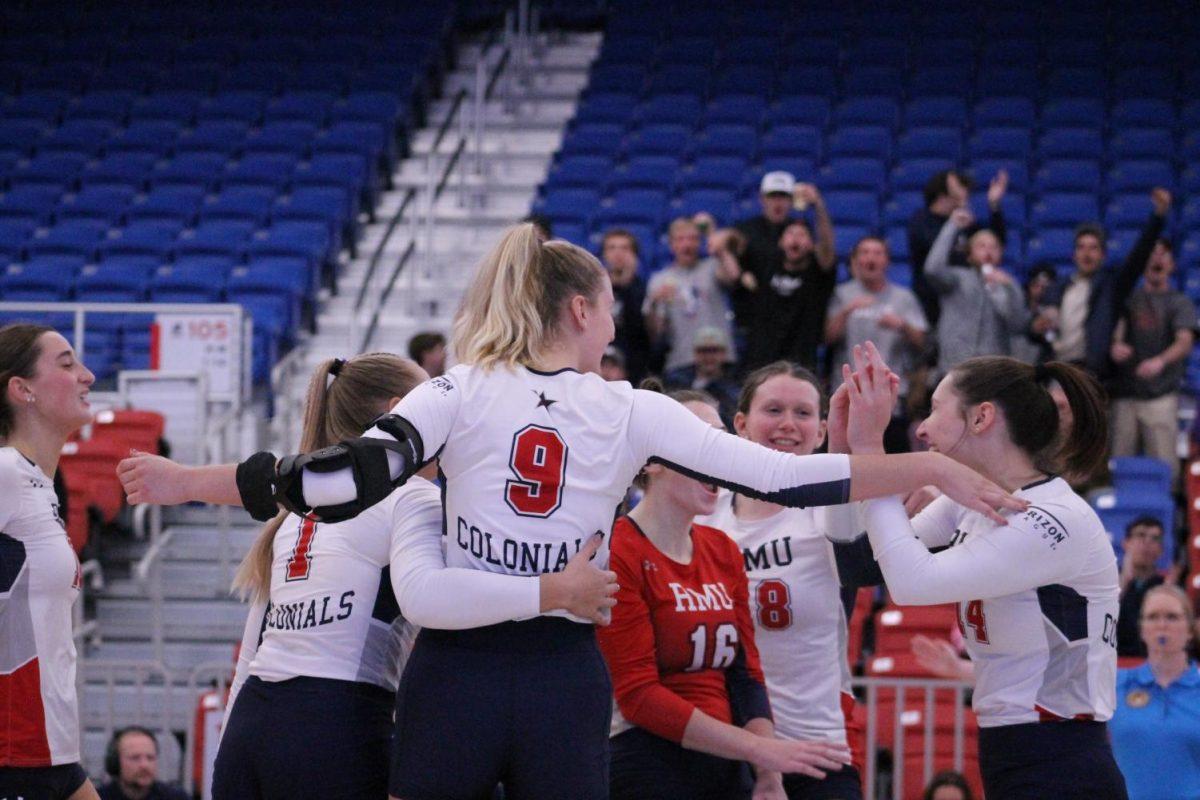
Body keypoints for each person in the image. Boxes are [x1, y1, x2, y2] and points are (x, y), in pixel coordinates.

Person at [118, 224, 1022, 800]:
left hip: (456, 678)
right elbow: (782, 479)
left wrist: (215, 481)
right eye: (610, 314)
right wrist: (928, 462)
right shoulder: (631, 409)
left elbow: (348, 475)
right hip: (560, 675)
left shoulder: (461, 387)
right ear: (582, 309)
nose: (615, 330)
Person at [179, 353, 612, 799]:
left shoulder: (295, 514)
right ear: (399, 411)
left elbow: (251, 654)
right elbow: (438, 593)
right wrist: (555, 589)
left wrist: (227, 760)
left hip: (251, 726)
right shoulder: (411, 495)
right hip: (334, 725)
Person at [825, 344, 1125, 799]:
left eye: (935, 408)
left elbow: (911, 582)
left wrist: (873, 448)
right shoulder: (968, 501)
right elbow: (854, 562)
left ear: (981, 418)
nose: (922, 428)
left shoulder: (1055, 520)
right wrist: (843, 451)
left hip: (1061, 756)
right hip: (1010, 751)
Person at [600, 386, 850, 800]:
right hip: (646, 759)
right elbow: (638, 697)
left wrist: (768, 776)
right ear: (652, 461)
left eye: (719, 441)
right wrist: (760, 749)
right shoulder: (617, 550)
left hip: (728, 763)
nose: (715, 458)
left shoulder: (722, 550)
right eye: (699, 440)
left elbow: (746, 675)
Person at [698, 362, 866, 800]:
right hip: (717, 750)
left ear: (823, 430)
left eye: (803, 413)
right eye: (773, 409)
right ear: (741, 424)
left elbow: (853, 494)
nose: (788, 424)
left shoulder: (829, 510)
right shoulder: (703, 515)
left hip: (814, 751)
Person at [0, 324, 100, 800]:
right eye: (66, 364)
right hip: (14, 753)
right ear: (22, 391)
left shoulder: (38, 486)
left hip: (52, 754)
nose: (88, 375)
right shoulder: (5, 474)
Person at [1047, 188, 1172, 380]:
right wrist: (1037, 325)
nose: (1086, 253)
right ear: (1073, 255)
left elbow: (1137, 259)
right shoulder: (1059, 286)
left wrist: (1158, 216)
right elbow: (1033, 328)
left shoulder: (1111, 286)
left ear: (1103, 255)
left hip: (1091, 373)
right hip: (1059, 370)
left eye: (1093, 248)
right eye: (1081, 248)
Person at [826, 236, 928, 453]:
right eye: (864, 253)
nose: (870, 258)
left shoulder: (904, 298)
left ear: (887, 261)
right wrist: (846, 311)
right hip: (849, 392)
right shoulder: (841, 295)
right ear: (854, 261)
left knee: (892, 465)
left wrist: (902, 325)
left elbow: (923, 343)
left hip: (893, 396)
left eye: (877, 253)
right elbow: (827, 338)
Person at [1109, 238, 1196, 486]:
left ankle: (1167, 514)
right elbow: (1117, 330)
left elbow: (1184, 341)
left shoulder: (1179, 302)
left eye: (1163, 255)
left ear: (1171, 264)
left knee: (1166, 469)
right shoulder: (1131, 298)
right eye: (1151, 254)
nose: (1156, 259)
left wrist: (1159, 361)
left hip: (1161, 396)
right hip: (1127, 394)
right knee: (1118, 463)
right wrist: (1116, 345)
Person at [1110, 584, 1200, 800]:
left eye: (1172, 617)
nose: (1162, 625)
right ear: (1141, 629)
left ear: (1189, 629)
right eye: (1152, 617)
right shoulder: (1115, 685)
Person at [734, 188, 837, 373]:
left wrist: (818, 206)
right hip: (761, 363)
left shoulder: (817, 272)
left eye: (802, 235)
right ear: (781, 242)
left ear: (811, 245)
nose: (795, 239)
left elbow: (827, 245)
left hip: (802, 365)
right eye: (790, 234)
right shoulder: (766, 265)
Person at [925, 208, 1028, 378]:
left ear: (1000, 254)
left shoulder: (1009, 284)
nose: (988, 251)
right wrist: (952, 226)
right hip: (955, 369)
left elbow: (1018, 325)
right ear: (969, 254)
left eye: (994, 247)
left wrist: (1008, 289)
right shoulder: (957, 278)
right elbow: (932, 269)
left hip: (992, 373)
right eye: (981, 246)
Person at [907, 169, 1009, 326]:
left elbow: (994, 241)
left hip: (963, 307)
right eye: (958, 188)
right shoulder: (921, 222)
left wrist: (994, 205)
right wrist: (954, 224)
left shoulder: (964, 225)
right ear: (942, 194)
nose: (965, 193)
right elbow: (936, 257)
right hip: (931, 308)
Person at [645, 217, 736, 373]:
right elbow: (656, 332)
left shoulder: (712, 266)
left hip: (720, 358)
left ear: (700, 242)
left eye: (692, 239)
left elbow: (733, 275)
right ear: (671, 244)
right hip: (682, 360)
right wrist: (655, 302)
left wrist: (714, 239)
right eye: (680, 239)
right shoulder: (659, 280)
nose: (686, 245)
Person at [663, 326, 741, 426]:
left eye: (714, 351)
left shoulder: (733, 390)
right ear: (695, 353)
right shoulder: (676, 381)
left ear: (723, 354)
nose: (708, 357)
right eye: (703, 351)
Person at [600, 228, 651, 383]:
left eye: (624, 248)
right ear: (604, 254)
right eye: (612, 248)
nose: (618, 253)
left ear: (634, 255)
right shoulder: (594, 290)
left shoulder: (643, 289)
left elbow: (641, 331)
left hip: (633, 367)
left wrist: (626, 284)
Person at [1116, 516, 1168, 659]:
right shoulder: (1106, 581)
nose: (1147, 543)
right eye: (1141, 535)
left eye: (1155, 538)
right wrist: (1123, 582)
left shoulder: (1167, 586)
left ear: (1161, 550)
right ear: (1126, 543)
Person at [97, 727, 187, 800]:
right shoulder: (96, 797)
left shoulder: (176, 798)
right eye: (135, 758)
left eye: (150, 758)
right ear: (115, 763)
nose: (144, 765)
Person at [1009, 263, 1060, 366]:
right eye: (1036, 285)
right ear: (1029, 286)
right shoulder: (1017, 308)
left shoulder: (1058, 311)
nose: (1040, 291)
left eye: (1045, 287)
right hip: (1017, 364)